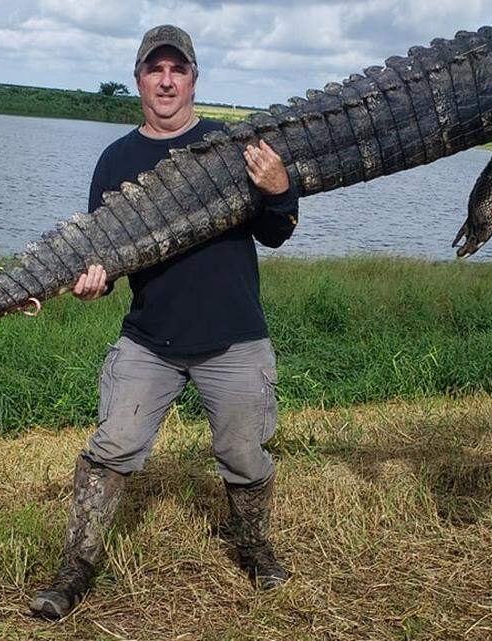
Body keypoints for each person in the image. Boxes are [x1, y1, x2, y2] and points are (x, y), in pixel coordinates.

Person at [29, 24, 300, 620]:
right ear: (139, 80)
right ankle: (74, 571)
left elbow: (277, 231)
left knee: (244, 454)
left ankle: (256, 551)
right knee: (112, 447)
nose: (167, 79)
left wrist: (281, 189)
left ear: (194, 79)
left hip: (234, 335)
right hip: (150, 340)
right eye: (156, 69)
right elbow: (105, 260)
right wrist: (90, 284)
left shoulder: (234, 144)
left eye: (178, 69)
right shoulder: (116, 160)